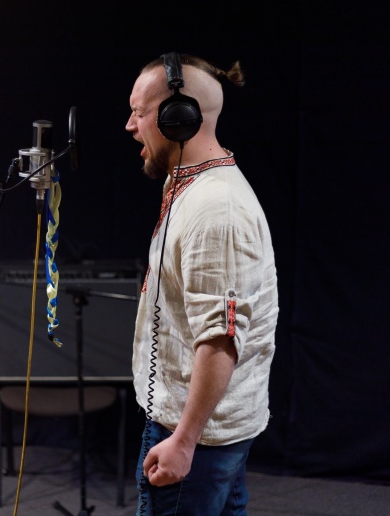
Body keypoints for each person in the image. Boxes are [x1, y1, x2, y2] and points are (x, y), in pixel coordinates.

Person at [125, 53, 279, 515]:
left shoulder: (216, 210)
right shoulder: (191, 185)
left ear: (177, 118)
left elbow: (221, 339)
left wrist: (184, 441)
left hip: (195, 435)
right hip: (201, 428)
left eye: (139, 112)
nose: (130, 126)